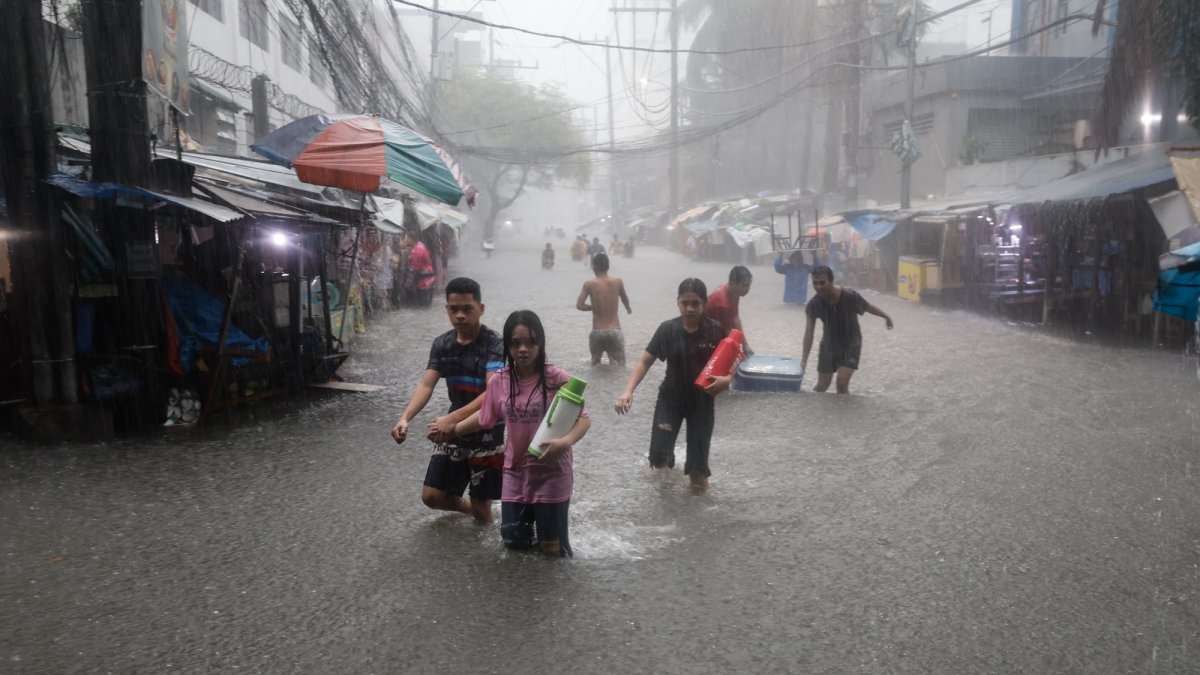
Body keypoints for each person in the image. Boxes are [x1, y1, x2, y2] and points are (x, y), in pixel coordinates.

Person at [453, 310, 591, 557]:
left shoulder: (556, 378)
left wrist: (565, 442)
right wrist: (451, 429)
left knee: (553, 549)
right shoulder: (499, 382)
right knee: (514, 544)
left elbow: (583, 419)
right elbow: (485, 418)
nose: (523, 349)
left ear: (541, 343)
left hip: (552, 473)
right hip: (515, 473)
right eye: (515, 344)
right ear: (507, 346)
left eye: (530, 342)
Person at [390, 277, 505, 523]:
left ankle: (480, 525)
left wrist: (451, 420)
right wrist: (405, 417)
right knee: (431, 496)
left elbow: (493, 392)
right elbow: (426, 384)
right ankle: (469, 509)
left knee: (483, 513)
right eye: (454, 309)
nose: (460, 316)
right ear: (447, 310)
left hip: (487, 429)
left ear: (481, 309)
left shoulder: (494, 344)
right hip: (453, 427)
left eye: (467, 309)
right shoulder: (442, 344)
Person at [615, 278, 734, 492]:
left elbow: (732, 365)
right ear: (677, 302)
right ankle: (663, 516)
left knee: (698, 471)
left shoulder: (715, 331)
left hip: (702, 403)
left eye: (695, 303)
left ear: (704, 303)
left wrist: (727, 380)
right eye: (685, 303)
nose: (689, 308)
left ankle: (697, 519)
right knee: (659, 463)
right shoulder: (668, 330)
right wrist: (628, 390)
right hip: (670, 401)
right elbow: (644, 361)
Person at [801, 265, 894, 395]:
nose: (818, 287)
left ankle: (846, 413)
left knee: (841, 383)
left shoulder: (849, 296)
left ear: (831, 281)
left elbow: (868, 307)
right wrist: (804, 360)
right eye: (815, 283)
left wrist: (886, 317)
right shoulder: (813, 305)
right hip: (829, 345)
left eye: (822, 283)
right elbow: (809, 334)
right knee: (821, 388)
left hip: (851, 343)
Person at [576, 252, 632, 366]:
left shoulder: (589, 284)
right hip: (615, 331)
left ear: (594, 266)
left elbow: (580, 305)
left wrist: (594, 307)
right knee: (619, 368)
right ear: (608, 266)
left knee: (595, 367)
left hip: (597, 333)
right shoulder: (618, 282)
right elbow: (625, 300)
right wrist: (628, 309)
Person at [706, 265, 754, 355]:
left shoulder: (733, 292)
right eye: (744, 285)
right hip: (708, 333)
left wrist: (745, 344)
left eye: (749, 285)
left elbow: (735, 317)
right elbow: (725, 331)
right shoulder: (721, 301)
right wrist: (737, 351)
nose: (747, 289)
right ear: (732, 283)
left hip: (719, 328)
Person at [404, 230, 435, 307]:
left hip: (423, 281)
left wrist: (407, 284)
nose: (405, 240)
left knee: (422, 306)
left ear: (411, 239)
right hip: (430, 278)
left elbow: (413, 270)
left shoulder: (415, 251)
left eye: (406, 238)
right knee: (427, 305)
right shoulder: (421, 245)